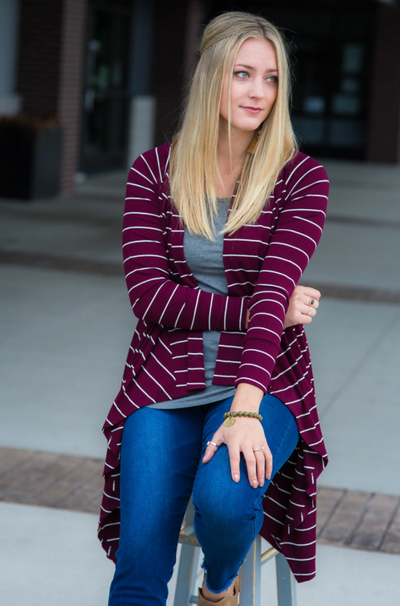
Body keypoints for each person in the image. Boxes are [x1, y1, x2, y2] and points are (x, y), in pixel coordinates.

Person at [99, 11, 329, 606]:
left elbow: (276, 286)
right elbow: (148, 298)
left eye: (271, 78)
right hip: (164, 378)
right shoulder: (154, 173)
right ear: (210, 79)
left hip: (263, 380)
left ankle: (217, 587)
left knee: (225, 504)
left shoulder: (300, 179)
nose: (258, 92)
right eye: (243, 74)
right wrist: (263, 311)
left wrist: (246, 409)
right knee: (140, 558)